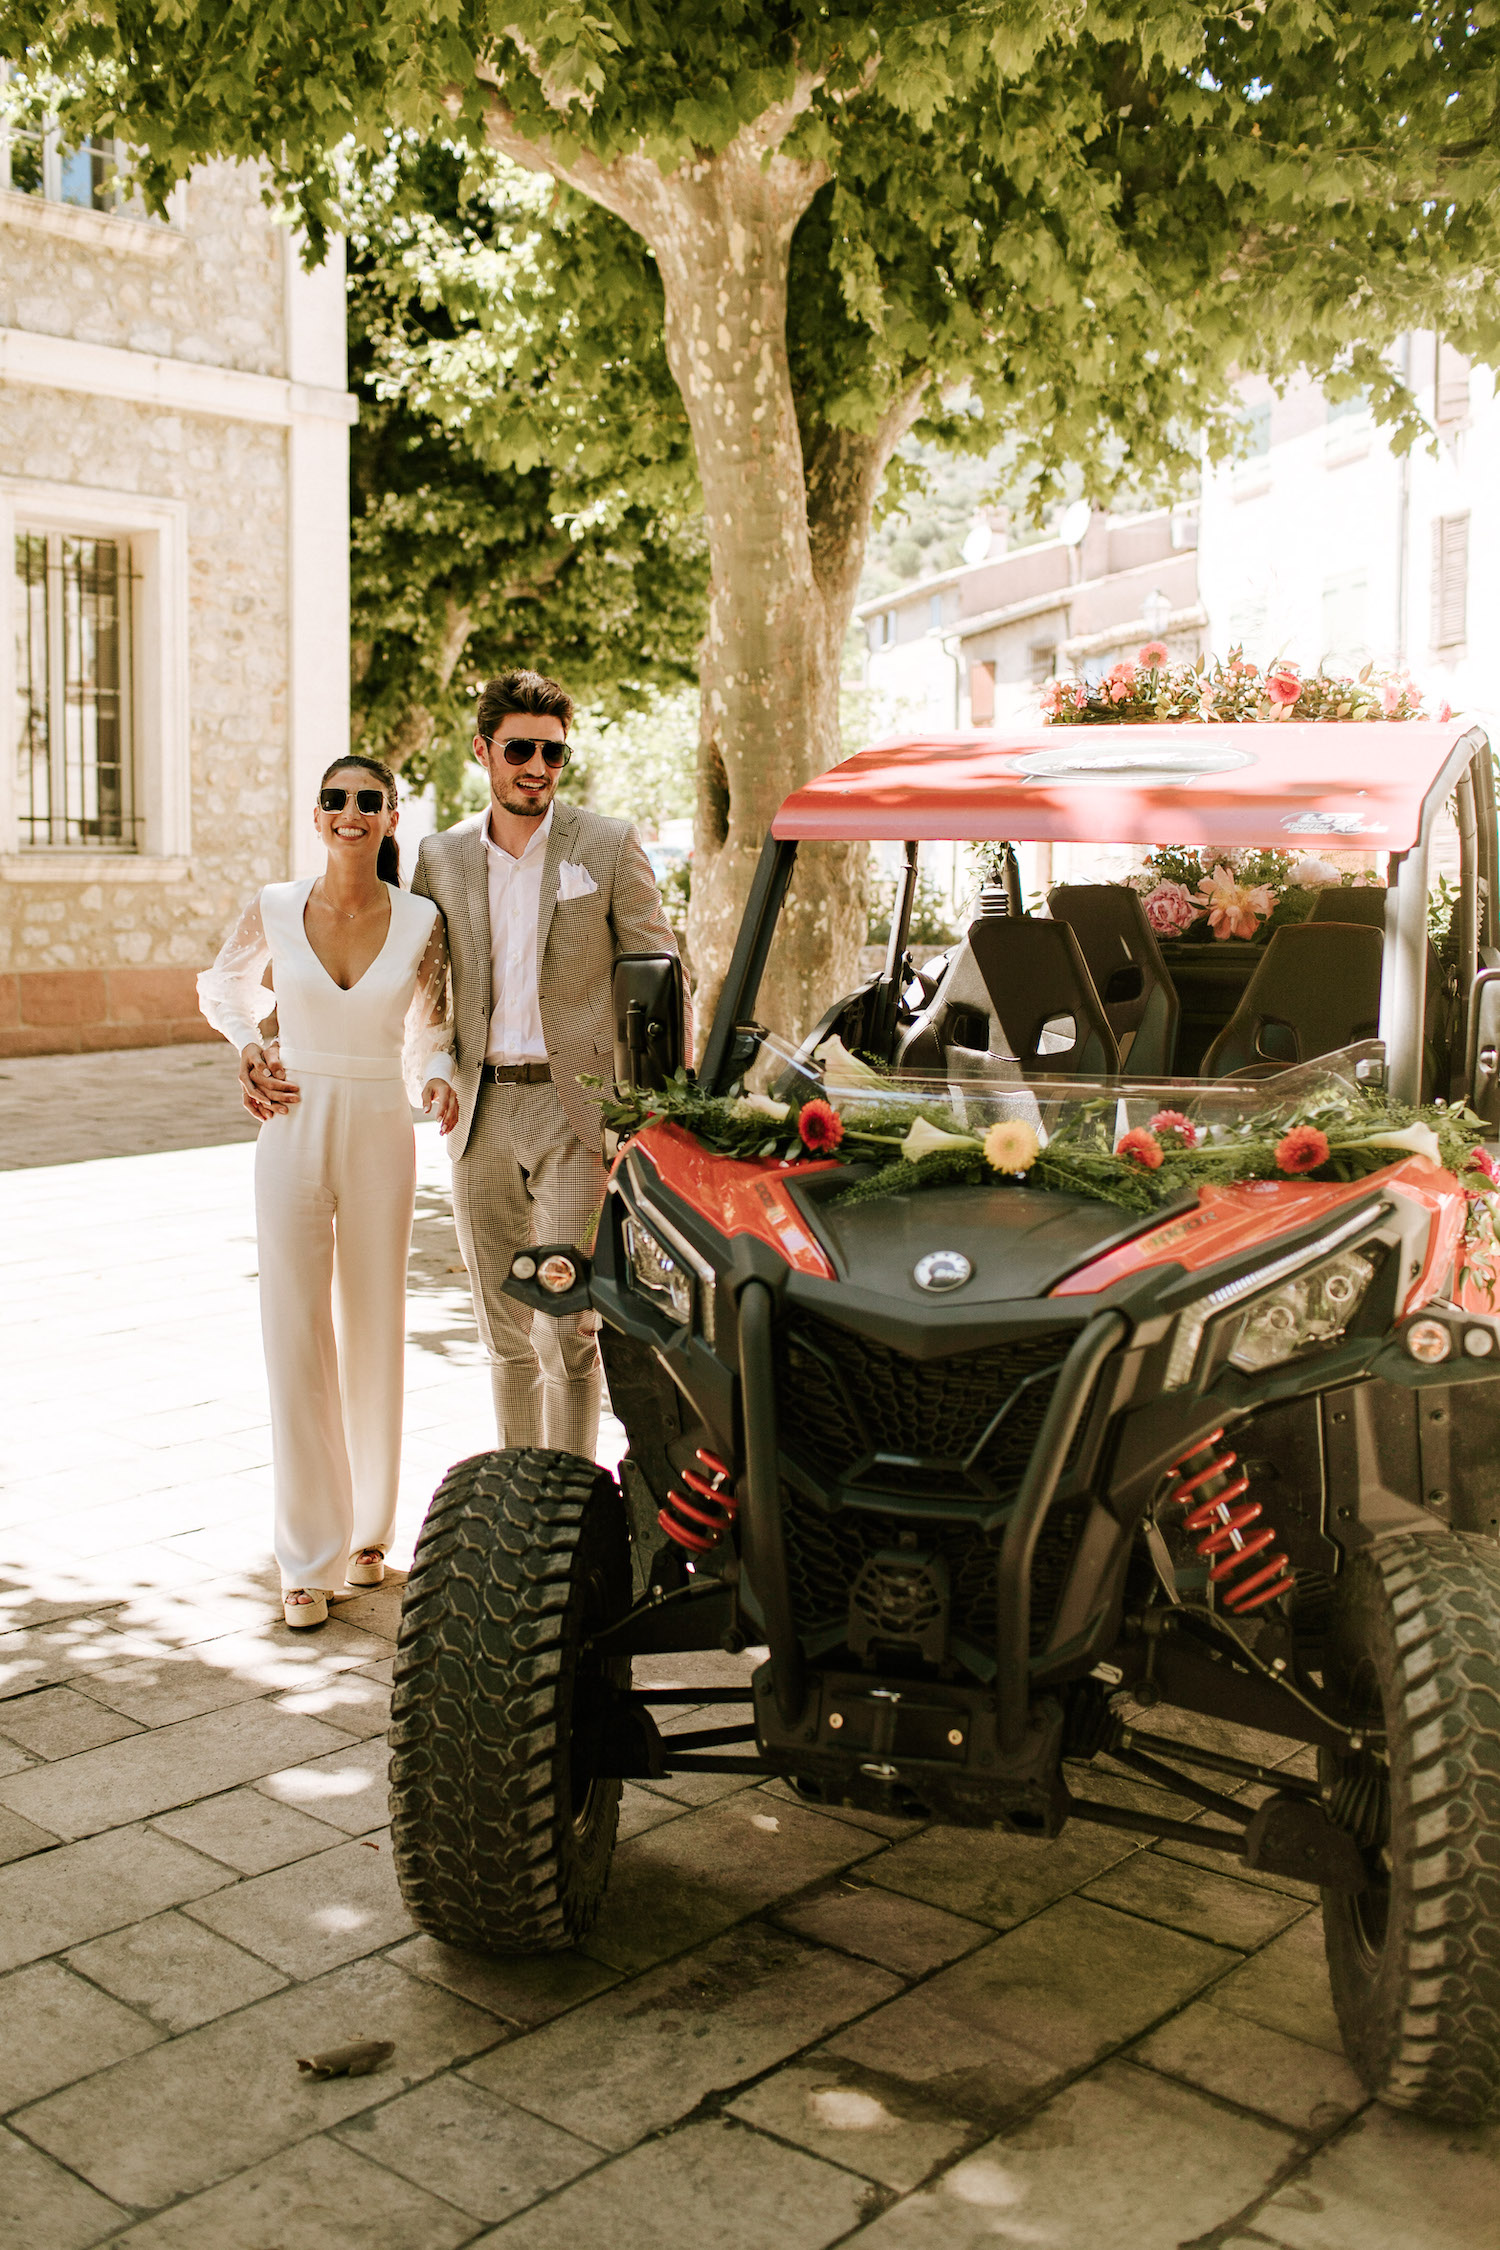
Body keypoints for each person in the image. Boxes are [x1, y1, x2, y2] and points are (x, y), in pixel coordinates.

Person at [197, 755, 458, 1628]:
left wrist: (441, 1077)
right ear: (317, 816)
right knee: (294, 1330)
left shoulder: (423, 918)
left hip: (382, 1123)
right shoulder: (275, 905)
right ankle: (306, 1558)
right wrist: (247, 1042)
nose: (351, 812)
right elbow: (223, 982)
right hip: (292, 1119)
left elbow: (435, 1026)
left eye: (368, 801)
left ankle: (369, 1534)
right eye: (336, 799)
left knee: (374, 1324)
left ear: (391, 816)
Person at [411, 669, 685, 1461]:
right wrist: (432, 1063)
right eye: (520, 749)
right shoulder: (442, 856)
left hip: (575, 1113)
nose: (537, 766)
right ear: (483, 751)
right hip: (481, 1111)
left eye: (553, 752)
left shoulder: (604, 843)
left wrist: (646, 1110)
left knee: (564, 1322)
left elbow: (660, 973)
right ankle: (518, 1501)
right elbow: (431, 982)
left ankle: (572, 1510)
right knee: (501, 1325)